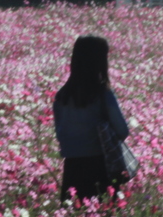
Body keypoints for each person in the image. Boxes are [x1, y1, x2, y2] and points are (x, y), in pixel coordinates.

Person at [53, 35, 130, 205]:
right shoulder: (103, 94)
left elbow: (60, 133)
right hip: (100, 168)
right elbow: (122, 131)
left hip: (72, 168)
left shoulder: (62, 96)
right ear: (100, 62)